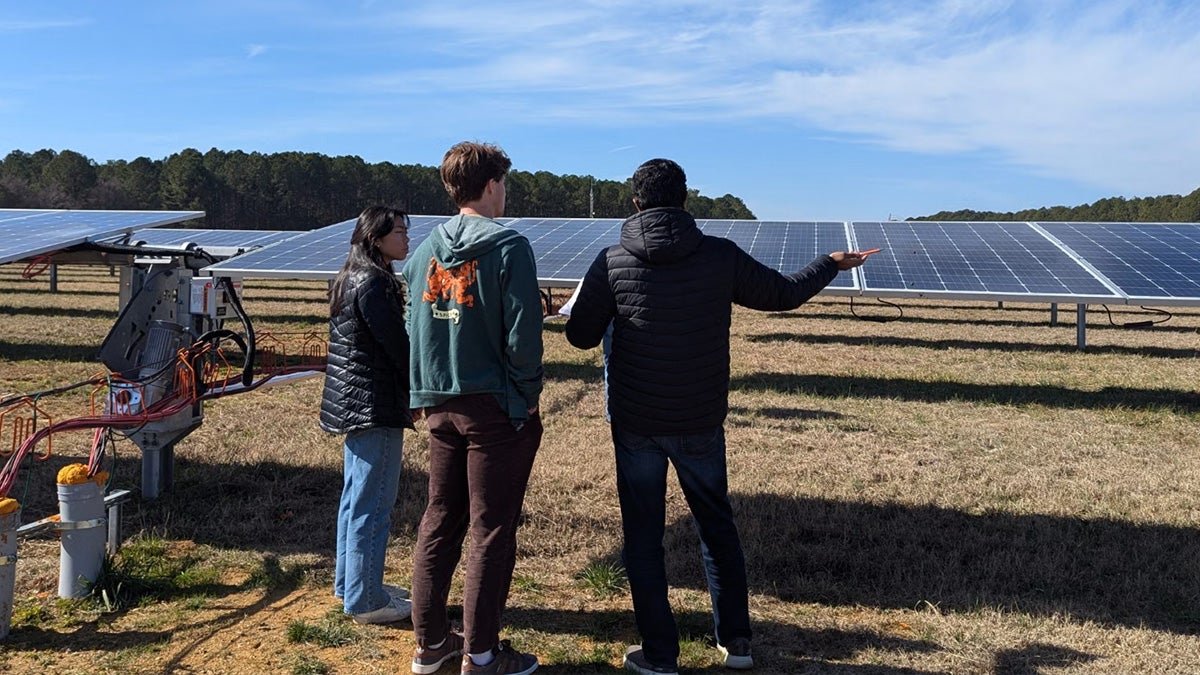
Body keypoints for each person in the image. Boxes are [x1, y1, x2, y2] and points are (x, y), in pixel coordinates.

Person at [564, 159, 870, 675]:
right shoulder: (719, 256)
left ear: (635, 203)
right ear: (686, 201)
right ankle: (738, 643)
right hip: (700, 418)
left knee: (643, 537)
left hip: (636, 421)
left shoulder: (612, 260)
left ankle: (659, 655)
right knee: (716, 527)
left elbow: (580, 337)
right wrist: (829, 263)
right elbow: (782, 295)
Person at [404, 141, 544, 675]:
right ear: (490, 186)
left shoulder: (423, 253)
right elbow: (523, 335)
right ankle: (481, 655)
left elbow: (414, 327)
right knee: (490, 527)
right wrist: (527, 394)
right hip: (494, 409)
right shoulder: (509, 247)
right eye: (503, 184)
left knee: (439, 519)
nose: (505, 194)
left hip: (438, 404)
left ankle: (430, 646)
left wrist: (421, 393)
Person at [319, 205, 415, 624]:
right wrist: (421, 386)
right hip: (374, 403)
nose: (407, 238)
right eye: (399, 231)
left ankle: (352, 585)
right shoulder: (375, 283)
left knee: (354, 498)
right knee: (373, 504)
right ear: (375, 238)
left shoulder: (349, 277)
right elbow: (397, 347)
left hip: (353, 402)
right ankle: (366, 601)